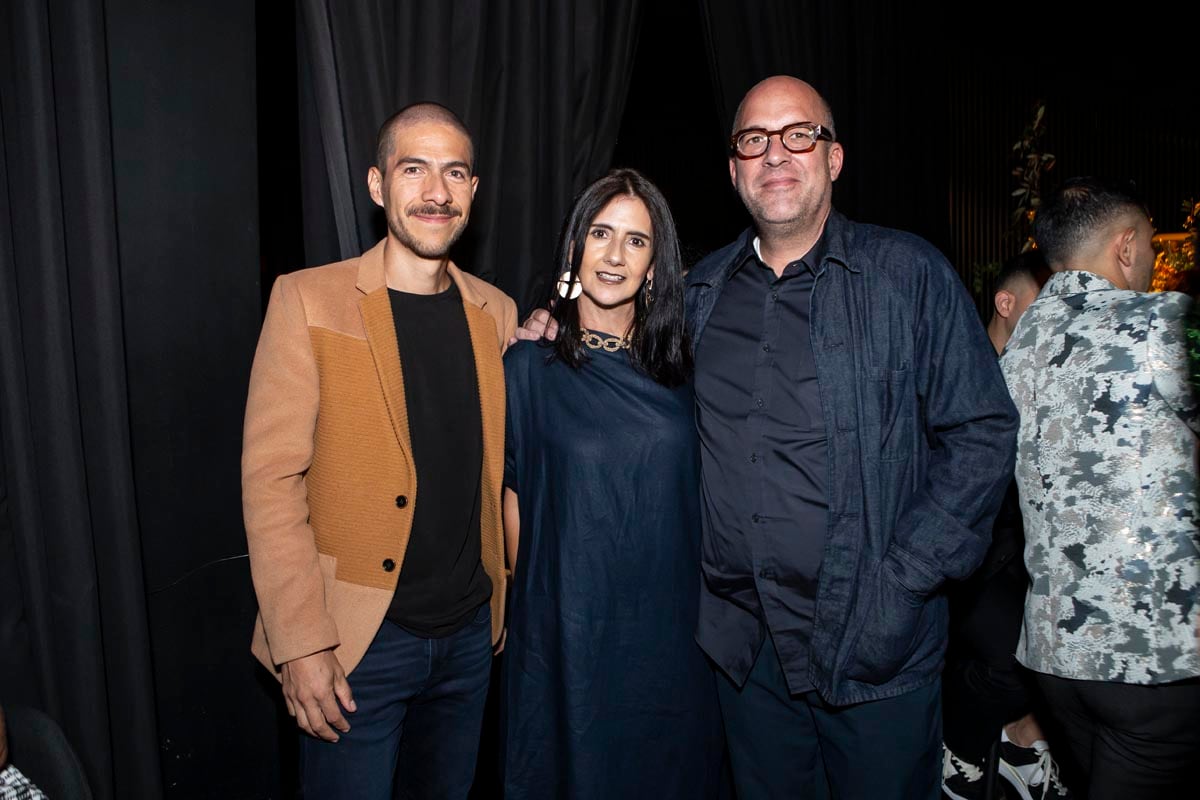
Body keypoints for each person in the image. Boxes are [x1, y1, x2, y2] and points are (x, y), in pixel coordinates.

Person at [517, 76, 1017, 798]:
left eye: (798, 135)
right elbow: (618, 362)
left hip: (873, 650)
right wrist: (551, 324)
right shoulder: (700, 296)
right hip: (744, 659)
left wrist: (904, 581)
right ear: (734, 169)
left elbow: (982, 432)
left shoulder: (906, 277)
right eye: (754, 140)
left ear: (834, 157)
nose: (775, 154)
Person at [242, 102, 516, 798]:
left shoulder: (499, 313)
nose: (436, 192)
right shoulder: (307, 300)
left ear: (474, 190)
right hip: (355, 643)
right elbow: (271, 481)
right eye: (414, 169)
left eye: (455, 173)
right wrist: (301, 641)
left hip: (468, 640)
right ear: (376, 183)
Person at [500, 168, 723, 799]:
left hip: (671, 629)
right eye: (601, 233)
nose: (615, 255)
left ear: (654, 265)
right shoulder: (527, 366)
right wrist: (543, 617)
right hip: (567, 629)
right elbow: (516, 499)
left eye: (635, 240)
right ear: (576, 245)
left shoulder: (686, 368)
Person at [1000, 177, 1200, 798]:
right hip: (1156, 653)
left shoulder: (1015, 353)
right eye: (1151, 247)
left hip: (1056, 657)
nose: (1152, 262)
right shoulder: (1164, 323)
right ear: (1126, 245)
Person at [941, 252, 1070, 800]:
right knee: (1012, 658)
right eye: (1045, 304)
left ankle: (1021, 743)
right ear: (1005, 303)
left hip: (1022, 559)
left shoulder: (1049, 375)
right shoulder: (957, 373)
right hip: (966, 567)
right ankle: (959, 749)